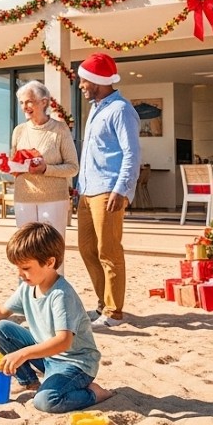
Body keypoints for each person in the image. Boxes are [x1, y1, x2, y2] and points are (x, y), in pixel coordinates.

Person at [0, 222, 112, 413]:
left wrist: (23, 353)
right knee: (1, 328)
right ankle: (30, 381)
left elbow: (63, 342)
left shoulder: (61, 295)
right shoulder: (28, 287)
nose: (20, 274)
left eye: (26, 268)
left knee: (46, 401)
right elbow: (1, 311)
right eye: (18, 268)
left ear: (50, 262)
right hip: (48, 357)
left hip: (75, 364)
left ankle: (94, 393)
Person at [75, 53, 141, 328]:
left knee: (109, 250)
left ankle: (114, 312)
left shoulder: (121, 110)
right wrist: (78, 187)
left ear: (97, 81)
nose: (80, 86)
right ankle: (103, 304)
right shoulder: (96, 108)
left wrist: (122, 189)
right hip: (87, 190)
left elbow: (131, 153)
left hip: (108, 190)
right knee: (87, 248)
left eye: (83, 81)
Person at [9, 80, 80, 236]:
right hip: (23, 198)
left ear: (44, 102)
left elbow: (73, 167)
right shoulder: (19, 131)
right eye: (21, 103)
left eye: (29, 102)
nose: (24, 107)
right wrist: (9, 166)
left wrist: (45, 169)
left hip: (53, 199)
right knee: (26, 249)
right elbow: (13, 166)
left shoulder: (60, 129)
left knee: (52, 248)